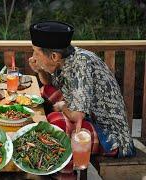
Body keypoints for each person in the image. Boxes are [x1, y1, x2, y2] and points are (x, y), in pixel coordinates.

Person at [28, 20, 135, 179]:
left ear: (54, 56)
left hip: (110, 136)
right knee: (46, 91)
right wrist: (39, 70)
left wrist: (62, 106)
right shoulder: (65, 59)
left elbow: (77, 116)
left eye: (36, 52)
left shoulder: (81, 64)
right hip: (87, 116)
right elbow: (49, 84)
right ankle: (51, 164)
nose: (33, 57)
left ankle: (64, 176)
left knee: (57, 124)